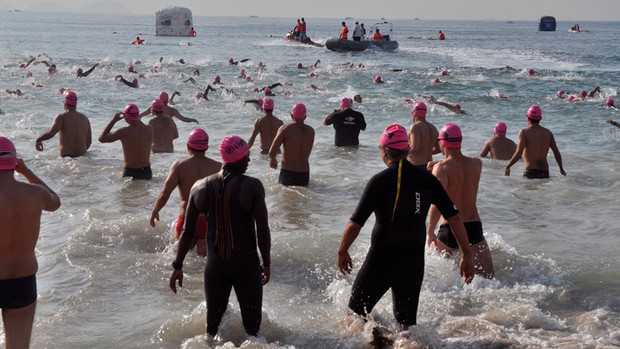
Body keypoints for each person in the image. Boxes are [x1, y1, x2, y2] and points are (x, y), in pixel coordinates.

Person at [337, 123, 475, 330]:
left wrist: (342, 250)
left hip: (381, 259)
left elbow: (356, 222)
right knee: (406, 326)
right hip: (413, 261)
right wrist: (467, 254)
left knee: (355, 316)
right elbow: (454, 217)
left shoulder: (379, 181)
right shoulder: (428, 179)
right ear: (408, 150)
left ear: (384, 151)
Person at [169, 135, 271, 338]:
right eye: (247, 156)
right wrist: (266, 262)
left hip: (215, 267)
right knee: (253, 331)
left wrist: (177, 266)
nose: (249, 160)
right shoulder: (251, 186)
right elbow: (262, 228)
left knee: (211, 331)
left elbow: (187, 232)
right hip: (246, 265)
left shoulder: (199, 187)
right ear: (239, 159)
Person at [0, 137, 61, 349]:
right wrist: (26, 171)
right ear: (14, 163)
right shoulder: (35, 194)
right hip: (22, 281)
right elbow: (55, 201)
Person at [427, 123, 494, 278]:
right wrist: (438, 164)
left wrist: (430, 232)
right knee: (489, 278)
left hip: (449, 229)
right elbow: (460, 165)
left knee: (441, 281)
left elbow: (437, 204)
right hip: (473, 228)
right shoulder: (477, 164)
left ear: (442, 142)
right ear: (460, 142)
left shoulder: (442, 168)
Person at [150, 128, 221, 256]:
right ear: (207, 147)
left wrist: (155, 211)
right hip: (210, 221)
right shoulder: (219, 167)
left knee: (181, 258)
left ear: (188, 146)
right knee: (205, 262)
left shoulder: (179, 166)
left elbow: (164, 193)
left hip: (187, 219)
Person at [504, 104, 566, 179]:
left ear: (528, 118)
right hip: (545, 172)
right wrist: (561, 169)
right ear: (540, 118)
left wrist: (508, 166)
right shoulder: (548, 133)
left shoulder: (524, 132)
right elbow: (556, 152)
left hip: (531, 172)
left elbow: (519, 153)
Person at [98, 104, 154, 180]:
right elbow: (139, 124)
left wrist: (114, 120)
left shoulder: (123, 131)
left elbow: (102, 139)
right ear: (137, 115)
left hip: (130, 172)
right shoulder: (149, 129)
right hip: (146, 171)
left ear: (126, 117)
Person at [269, 103, 315, 186]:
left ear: (291, 115)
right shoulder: (311, 131)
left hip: (288, 171)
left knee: (287, 197)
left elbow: (272, 151)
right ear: (305, 117)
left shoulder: (285, 129)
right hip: (304, 173)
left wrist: (273, 159)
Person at [35, 92, 92, 158]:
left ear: (65, 103)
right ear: (76, 104)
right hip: (83, 156)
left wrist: (39, 139)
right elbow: (89, 141)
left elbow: (51, 133)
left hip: (66, 157)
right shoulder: (85, 118)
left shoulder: (62, 117)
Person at [407, 101, 440, 168]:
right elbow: (439, 149)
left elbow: (414, 148)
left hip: (417, 167)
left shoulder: (415, 127)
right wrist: (426, 152)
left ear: (414, 113)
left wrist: (401, 153)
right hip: (429, 166)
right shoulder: (433, 128)